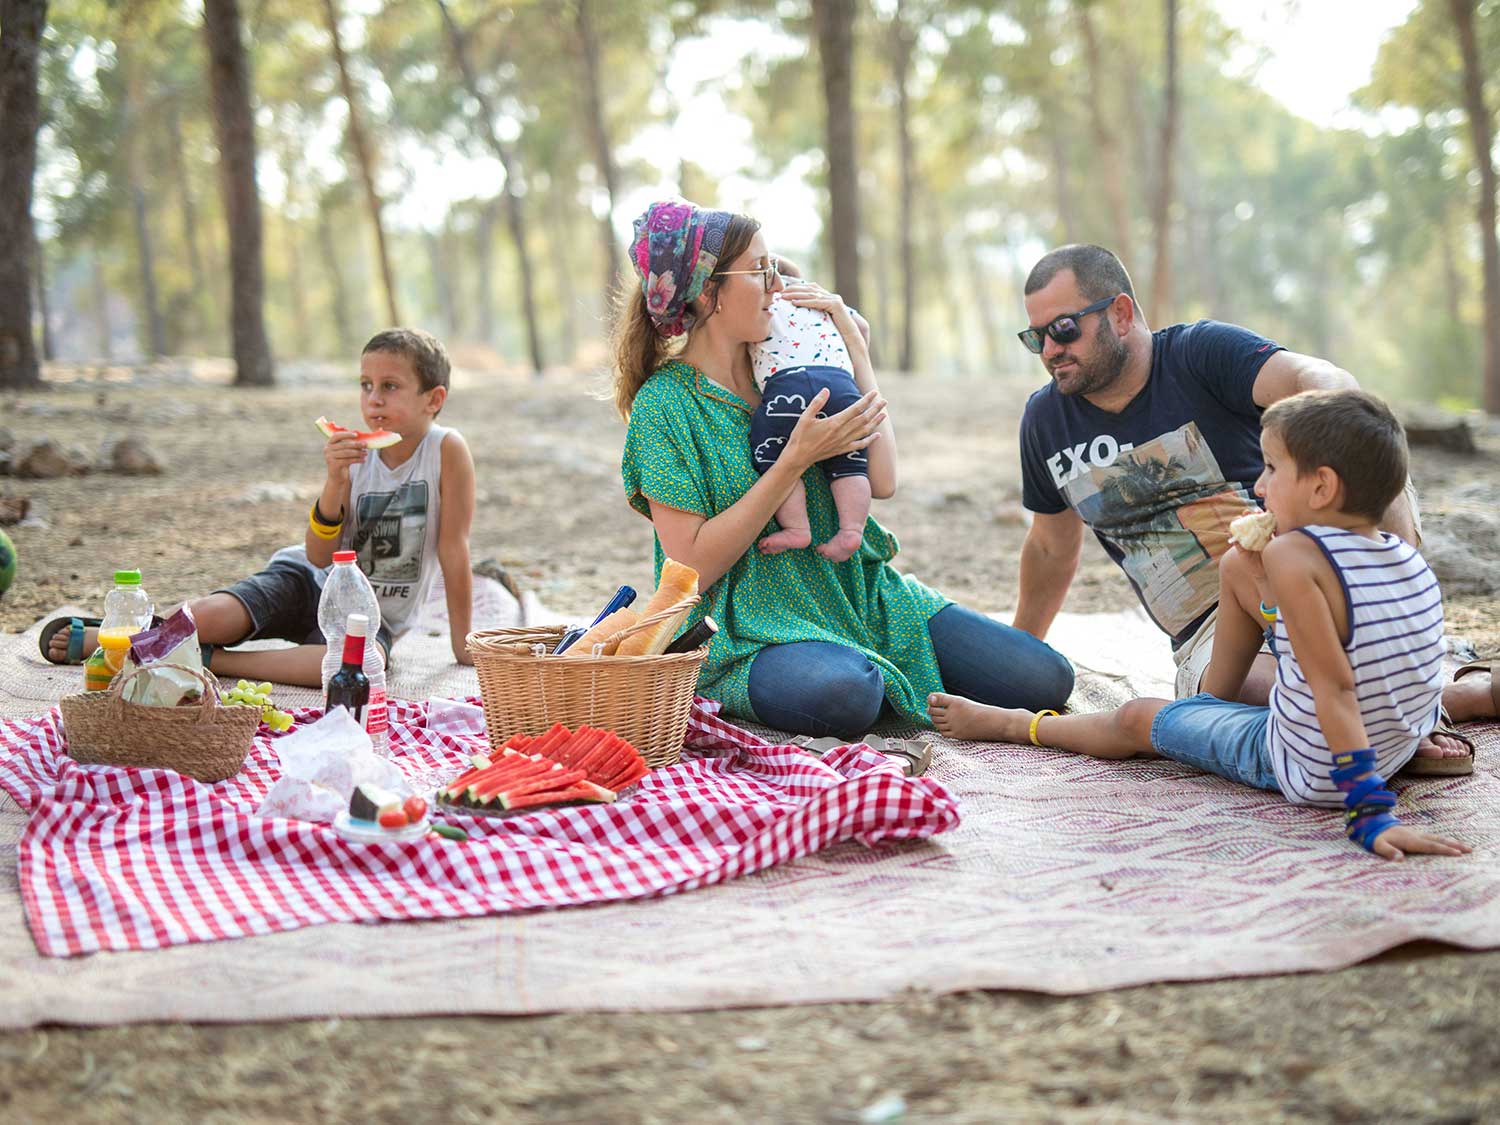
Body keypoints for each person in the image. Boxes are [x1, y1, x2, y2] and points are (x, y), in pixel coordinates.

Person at [997, 243, 1490, 770]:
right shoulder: (1045, 422)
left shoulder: (1197, 354)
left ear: (1119, 313)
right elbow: (1050, 548)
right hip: (1210, 630)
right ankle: (1446, 700)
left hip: (1320, 574)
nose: (1049, 349)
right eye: (1036, 337)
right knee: (1244, 697)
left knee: (1364, 446)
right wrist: (1020, 660)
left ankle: (1397, 685)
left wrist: (1329, 433)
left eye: (1064, 328)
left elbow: (1318, 378)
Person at [931, 389, 1470, 861]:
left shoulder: (1294, 557)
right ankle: (1203, 715)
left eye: (1273, 470)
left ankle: (1015, 724)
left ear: (1322, 488)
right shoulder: (1405, 559)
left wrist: (1371, 812)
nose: (1259, 488)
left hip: (1312, 766)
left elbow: (1333, 686)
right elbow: (1395, 665)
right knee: (1235, 569)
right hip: (1394, 746)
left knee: (1137, 719)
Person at [612, 198, 1074, 739]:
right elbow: (688, 567)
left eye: (774, 265)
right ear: (709, 293)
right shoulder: (663, 407)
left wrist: (856, 350)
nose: (777, 285)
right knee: (848, 693)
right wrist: (793, 462)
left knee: (1046, 679)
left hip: (860, 595)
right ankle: (838, 676)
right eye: (759, 271)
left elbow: (883, 480)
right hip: (746, 631)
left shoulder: (790, 363)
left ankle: (875, 666)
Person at [43, 328, 477, 686]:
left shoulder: (446, 450)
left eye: (390, 387)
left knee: (360, 667)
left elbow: (453, 549)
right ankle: (117, 638)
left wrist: (462, 643)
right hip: (306, 578)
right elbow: (318, 556)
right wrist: (335, 480)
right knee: (210, 616)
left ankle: (212, 662)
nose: (373, 400)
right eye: (366, 386)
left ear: (433, 399)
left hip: (370, 612)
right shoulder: (351, 455)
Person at [748, 256, 872, 562]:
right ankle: (852, 530)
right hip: (842, 385)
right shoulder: (825, 304)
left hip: (787, 387)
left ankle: (797, 528)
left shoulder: (763, 305)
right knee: (851, 462)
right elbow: (862, 327)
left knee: (773, 455)